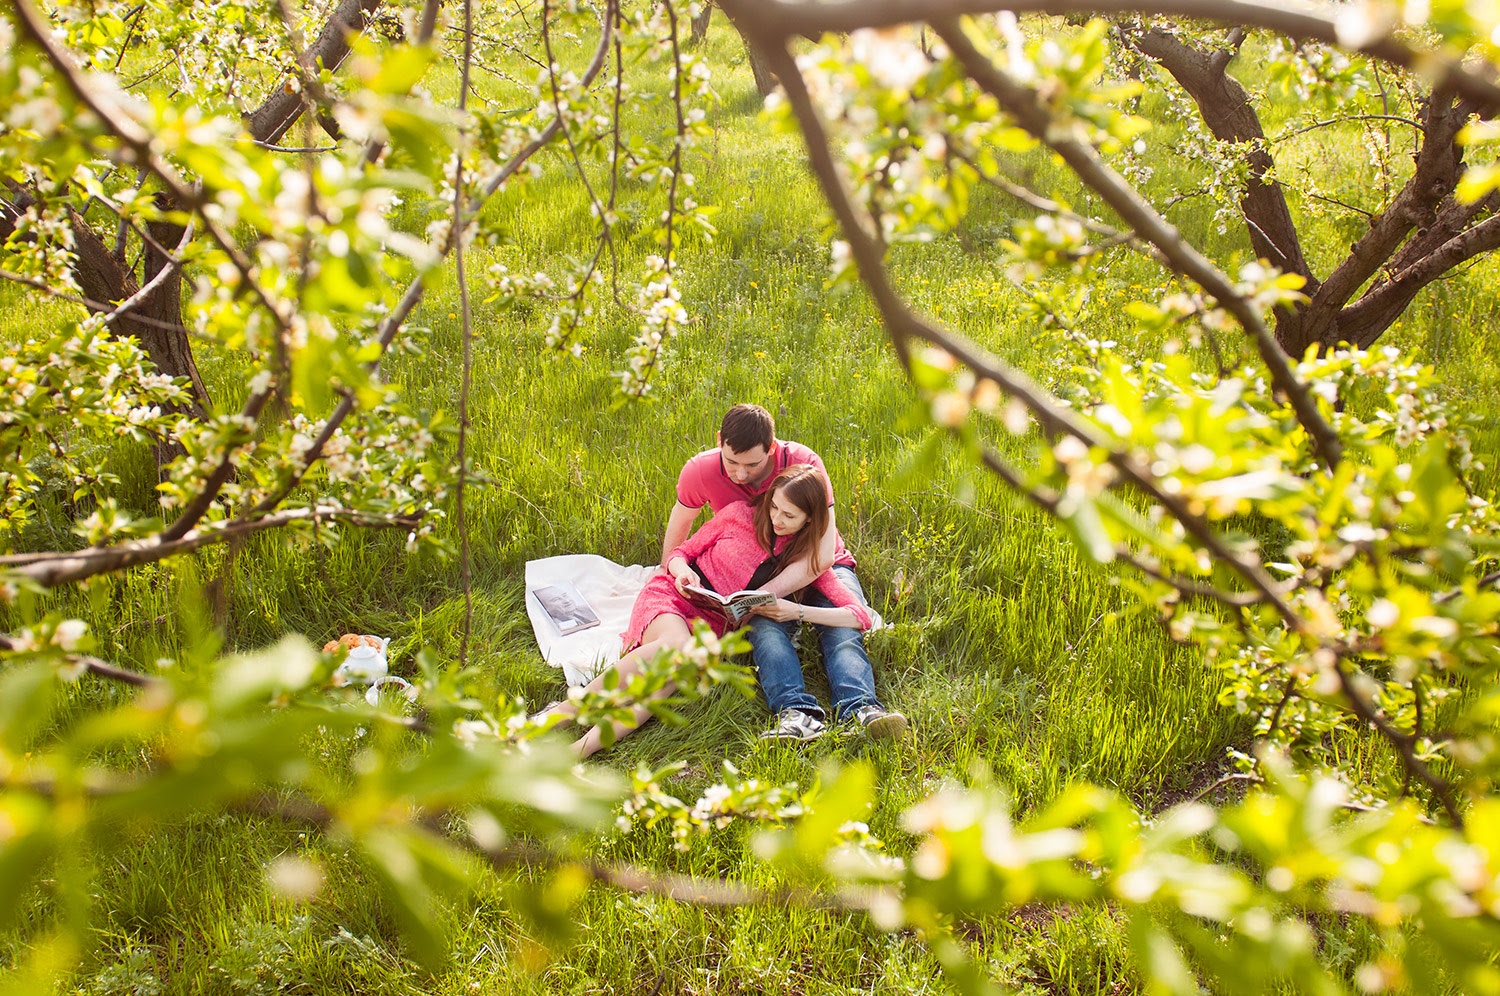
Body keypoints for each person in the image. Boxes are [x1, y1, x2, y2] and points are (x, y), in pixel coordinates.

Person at [542, 464, 873, 757]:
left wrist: (795, 612)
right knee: (676, 647)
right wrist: (681, 570)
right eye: (774, 507)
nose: (776, 519)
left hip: (712, 626)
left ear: (810, 519)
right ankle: (562, 714)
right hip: (675, 598)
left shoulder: (806, 559)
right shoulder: (738, 515)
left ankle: (577, 752)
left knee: (664, 684)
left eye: (789, 516)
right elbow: (680, 552)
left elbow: (859, 617)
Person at [662, 404, 907, 742]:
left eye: (752, 465)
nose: (741, 475)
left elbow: (840, 593)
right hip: (768, 566)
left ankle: (862, 708)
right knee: (766, 630)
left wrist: (793, 608)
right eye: (731, 463)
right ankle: (796, 713)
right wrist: (670, 574)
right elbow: (682, 539)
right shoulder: (722, 493)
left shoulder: (806, 468)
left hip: (819, 561)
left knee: (839, 635)